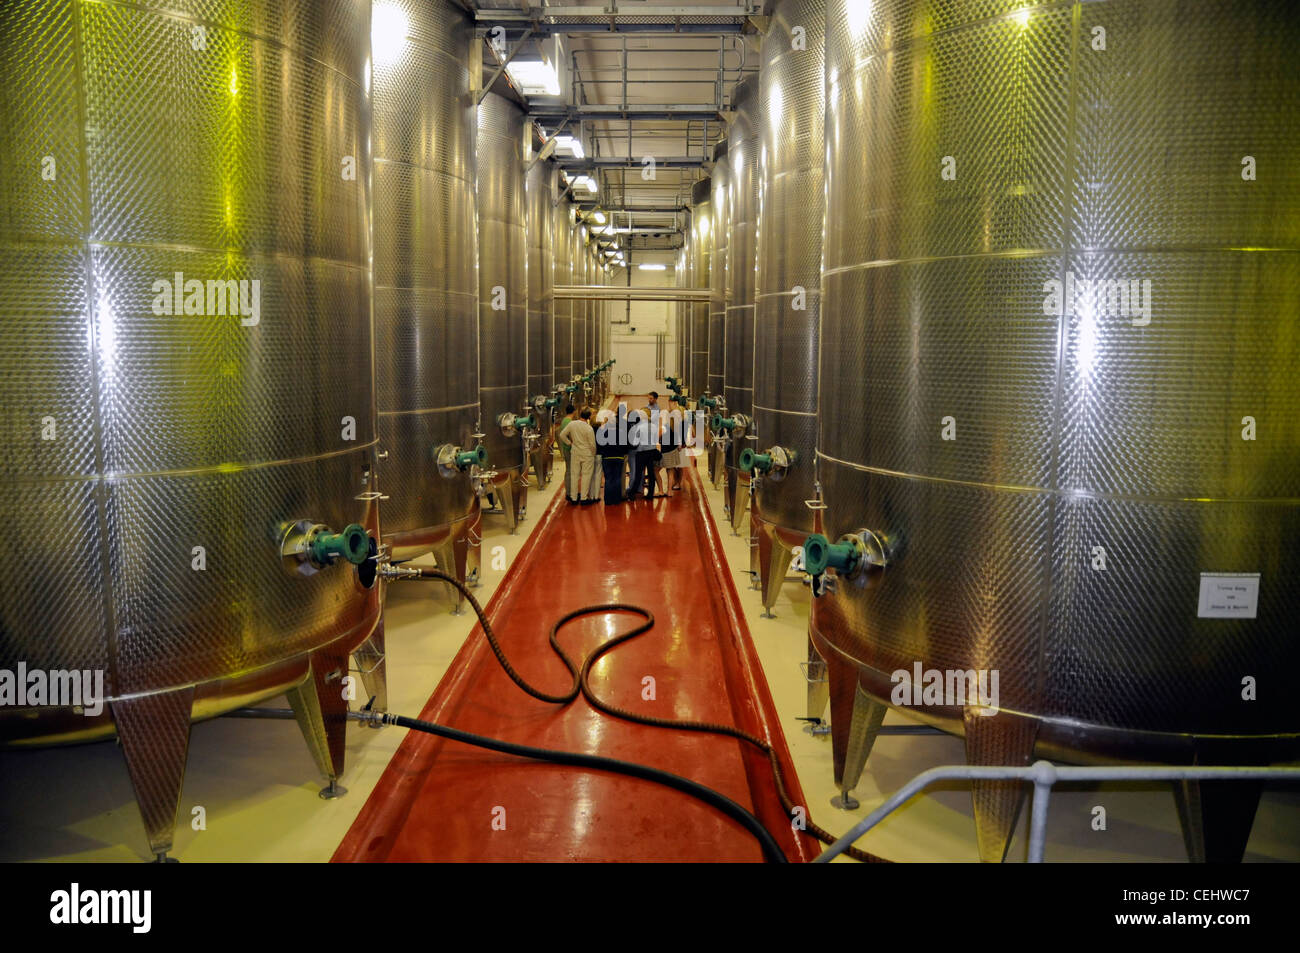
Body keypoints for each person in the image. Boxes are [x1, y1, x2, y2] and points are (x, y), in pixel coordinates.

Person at [558, 408, 597, 504]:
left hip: (575, 452)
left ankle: (574, 497)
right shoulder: (589, 429)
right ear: (588, 417)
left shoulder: (572, 424)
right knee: (586, 475)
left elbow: (562, 435)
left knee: (574, 475)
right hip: (587, 454)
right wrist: (593, 453)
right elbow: (592, 444)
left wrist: (569, 443)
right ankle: (584, 498)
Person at [598, 403, 630, 504]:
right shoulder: (621, 432)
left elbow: (600, 444)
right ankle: (616, 499)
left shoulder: (604, 432)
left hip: (607, 458)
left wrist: (602, 454)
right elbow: (626, 445)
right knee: (617, 478)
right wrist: (624, 453)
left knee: (608, 479)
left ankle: (608, 499)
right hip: (619, 457)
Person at [627, 408, 656, 500]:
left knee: (638, 473)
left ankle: (632, 493)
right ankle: (650, 494)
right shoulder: (653, 426)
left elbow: (635, 441)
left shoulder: (638, 427)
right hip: (651, 452)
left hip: (641, 452)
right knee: (651, 474)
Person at [660, 394, 686, 492]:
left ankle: (678, 482)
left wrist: (679, 443)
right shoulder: (674, 412)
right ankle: (676, 481)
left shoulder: (678, 412)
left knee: (678, 465)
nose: (669, 403)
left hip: (678, 442)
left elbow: (678, 429)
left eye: (670, 402)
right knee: (676, 464)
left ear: (674, 402)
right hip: (676, 441)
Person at [557, 404, 578, 502]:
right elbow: (568, 435)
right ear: (574, 411)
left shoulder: (564, 421)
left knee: (569, 469)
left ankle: (570, 491)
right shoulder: (569, 422)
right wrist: (571, 443)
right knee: (570, 470)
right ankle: (570, 493)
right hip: (569, 450)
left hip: (566, 448)